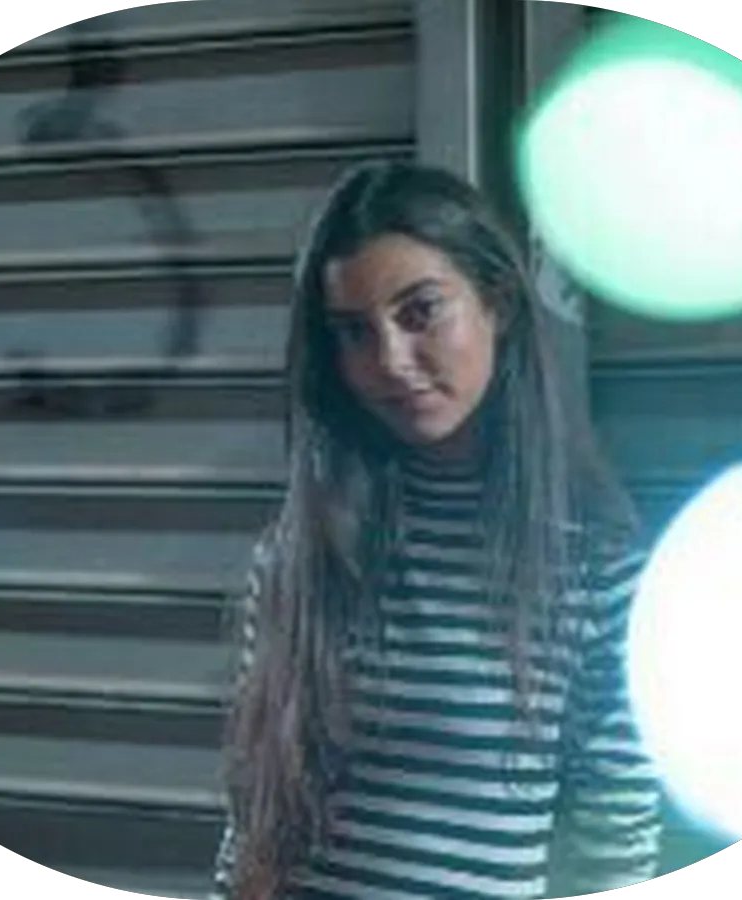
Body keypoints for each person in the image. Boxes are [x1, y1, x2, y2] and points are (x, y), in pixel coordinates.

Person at [210, 160, 663, 900]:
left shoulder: (597, 571)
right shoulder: (302, 556)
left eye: (420, 312)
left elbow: (611, 848)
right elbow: (253, 824)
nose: (389, 361)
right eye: (353, 332)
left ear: (498, 303)